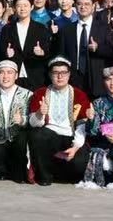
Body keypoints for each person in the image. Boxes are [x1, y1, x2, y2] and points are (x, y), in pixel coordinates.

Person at [19, 57, 86, 186]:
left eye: (63, 73)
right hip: (50, 136)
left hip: (71, 136)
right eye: (55, 73)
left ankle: (60, 174)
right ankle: (44, 176)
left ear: (69, 74)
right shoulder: (41, 93)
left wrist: (75, 147)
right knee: (37, 135)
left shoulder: (79, 95)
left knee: (78, 167)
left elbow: (81, 125)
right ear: (50, 75)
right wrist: (39, 113)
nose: (60, 76)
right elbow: (33, 124)